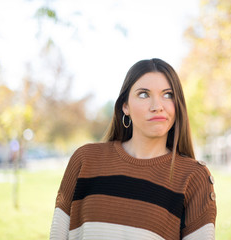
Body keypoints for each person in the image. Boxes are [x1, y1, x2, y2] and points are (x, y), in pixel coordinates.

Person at [50, 58, 217, 240]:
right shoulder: (85, 159)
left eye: (168, 95)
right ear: (125, 106)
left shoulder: (194, 177)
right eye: (144, 94)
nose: (157, 107)